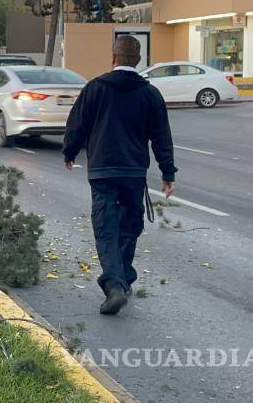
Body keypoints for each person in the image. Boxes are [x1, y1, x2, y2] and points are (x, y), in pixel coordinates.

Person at [62, 35, 177, 315]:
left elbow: (77, 123)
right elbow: (161, 136)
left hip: (102, 171)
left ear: (113, 57)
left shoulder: (95, 88)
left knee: (105, 228)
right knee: (129, 226)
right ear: (138, 61)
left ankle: (115, 284)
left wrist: (70, 151)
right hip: (133, 172)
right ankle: (123, 279)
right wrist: (167, 171)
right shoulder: (150, 94)